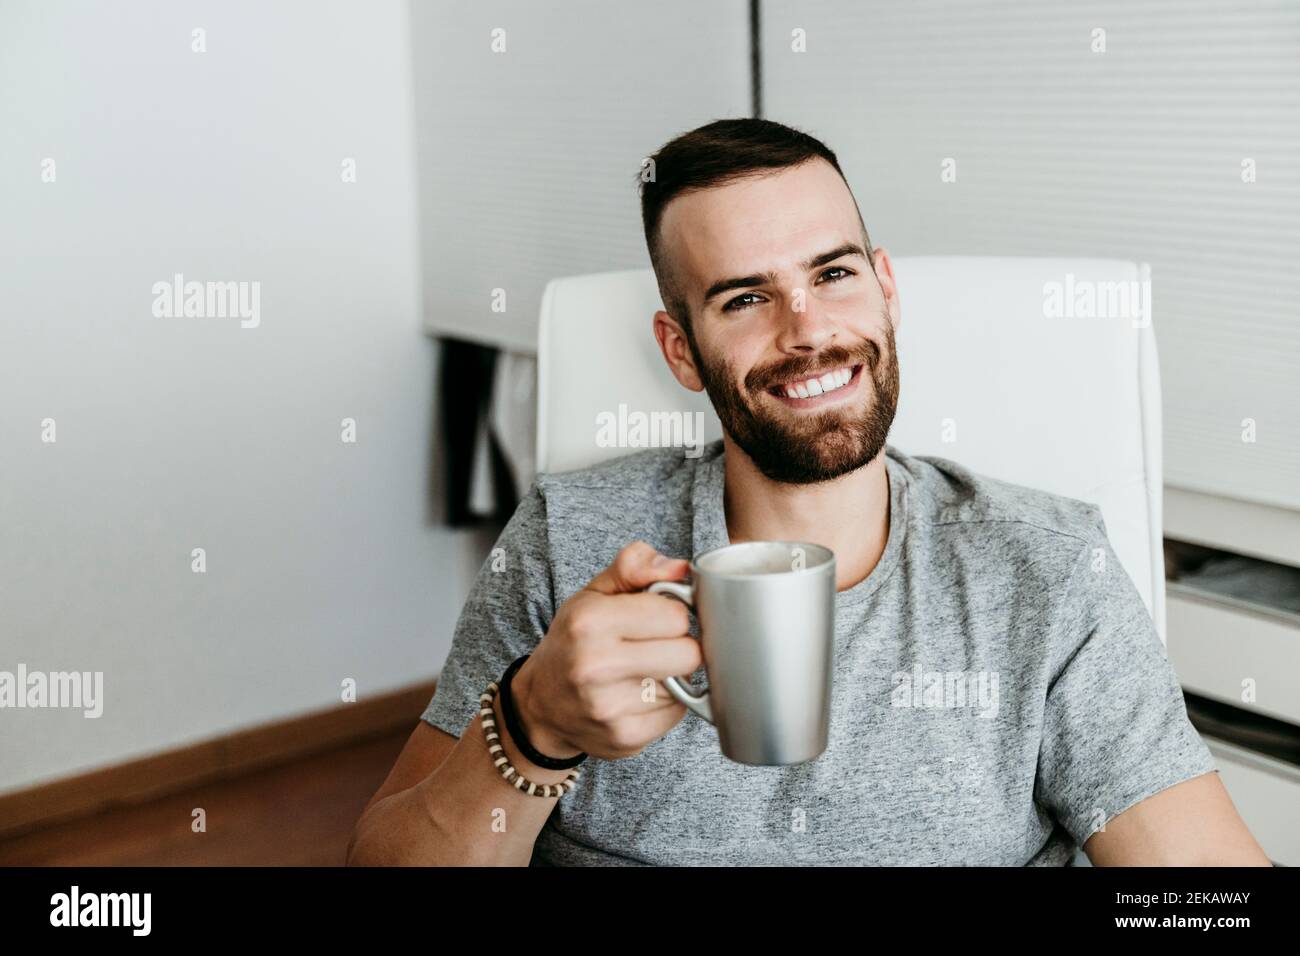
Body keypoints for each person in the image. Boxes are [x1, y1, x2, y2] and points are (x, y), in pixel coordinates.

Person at [347, 118, 1271, 866]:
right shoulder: (567, 541)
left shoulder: (1045, 566)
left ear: (884, 288)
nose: (809, 330)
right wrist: (533, 723)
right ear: (680, 351)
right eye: (745, 298)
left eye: (832, 274)